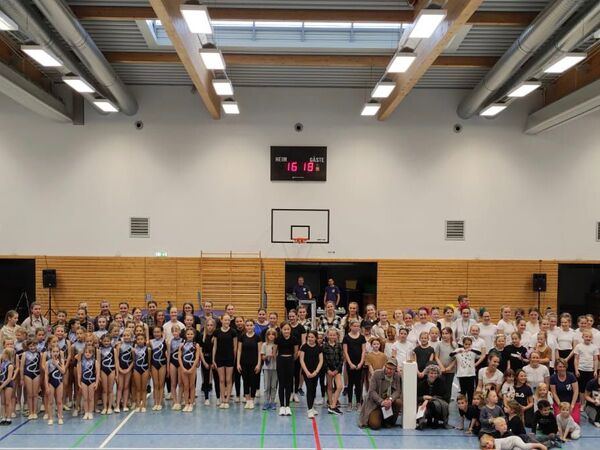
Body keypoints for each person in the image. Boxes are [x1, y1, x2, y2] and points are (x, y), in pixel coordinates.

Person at [358, 358, 402, 429]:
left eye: (391, 369)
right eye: (387, 368)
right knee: (375, 425)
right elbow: (372, 391)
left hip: (389, 402)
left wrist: (390, 400)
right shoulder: (376, 374)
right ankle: (379, 417)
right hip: (376, 404)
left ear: (395, 369)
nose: (389, 370)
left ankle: (389, 421)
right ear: (385, 366)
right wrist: (382, 402)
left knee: (398, 402)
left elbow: (397, 391)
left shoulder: (397, 377)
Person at [213, 314, 237, 409]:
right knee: (222, 380)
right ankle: (222, 399)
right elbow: (215, 346)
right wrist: (213, 359)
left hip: (229, 358)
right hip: (219, 358)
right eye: (225, 320)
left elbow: (235, 347)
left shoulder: (233, 332)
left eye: (228, 320)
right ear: (221, 320)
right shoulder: (217, 332)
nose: (227, 322)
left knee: (228, 380)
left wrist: (234, 359)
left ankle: (227, 400)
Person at [416, 364, 449, 430]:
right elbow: (417, 397)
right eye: (431, 373)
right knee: (422, 407)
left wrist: (428, 400)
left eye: (435, 373)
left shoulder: (441, 382)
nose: (433, 375)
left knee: (437, 404)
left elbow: (445, 396)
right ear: (427, 373)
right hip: (425, 405)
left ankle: (437, 421)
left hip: (438, 405)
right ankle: (422, 422)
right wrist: (423, 398)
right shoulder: (422, 384)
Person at [275, 321, 298, 416]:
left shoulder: (294, 339)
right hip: (280, 361)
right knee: (281, 384)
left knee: (288, 384)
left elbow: (296, 353)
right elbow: (275, 352)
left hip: (290, 361)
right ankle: (281, 406)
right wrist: (279, 359)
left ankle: (287, 406)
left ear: (290, 330)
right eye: (284, 329)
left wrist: (290, 359)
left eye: (288, 329)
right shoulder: (278, 339)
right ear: (281, 330)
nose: (286, 331)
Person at [342, 319, 366, 411]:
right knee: (350, 383)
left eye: (358, 326)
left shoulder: (362, 338)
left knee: (358, 384)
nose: (356, 328)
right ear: (350, 326)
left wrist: (361, 363)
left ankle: (358, 403)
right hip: (350, 363)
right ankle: (349, 403)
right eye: (354, 326)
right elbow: (345, 352)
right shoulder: (346, 338)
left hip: (359, 363)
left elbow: (363, 351)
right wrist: (350, 363)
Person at [237, 319, 261, 409]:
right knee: (245, 381)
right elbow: (239, 350)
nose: (249, 327)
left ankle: (252, 400)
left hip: (254, 363)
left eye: (251, 325)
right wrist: (238, 363)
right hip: (244, 363)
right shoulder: (242, 337)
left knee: (253, 381)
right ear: (245, 326)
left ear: (254, 326)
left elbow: (259, 352)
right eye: (247, 325)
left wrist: (259, 364)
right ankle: (247, 400)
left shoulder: (257, 337)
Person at [299, 330, 323, 418]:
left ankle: (312, 407)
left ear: (315, 338)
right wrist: (307, 372)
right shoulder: (304, 347)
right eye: (309, 337)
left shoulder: (319, 347)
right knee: (309, 388)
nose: (310, 338)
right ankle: (309, 409)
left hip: (315, 372)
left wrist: (316, 371)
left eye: (312, 337)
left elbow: (321, 360)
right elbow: (301, 360)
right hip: (307, 372)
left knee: (313, 389)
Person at [451, 336, 481, 404]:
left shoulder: (473, 351)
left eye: (469, 344)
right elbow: (451, 354)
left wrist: (471, 349)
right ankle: (462, 404)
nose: (467, 346)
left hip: (471, 374)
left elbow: (479, 353)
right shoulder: (459, 350)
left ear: (471, 344)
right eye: (466, 344)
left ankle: (470, 404)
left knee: (471, 391)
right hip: (462, 374)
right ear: (463, 344)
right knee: (463, 391)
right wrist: (458, 351)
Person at [573, 329, 598, 409]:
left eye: (590, 337)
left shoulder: (594, 347)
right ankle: (582, 403)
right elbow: (576, 359)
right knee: (582, 387)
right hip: (581, 369)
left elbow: (595, 359)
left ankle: (588, 403)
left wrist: (595, 371)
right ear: (583, 337)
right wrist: (576, 370)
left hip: (590, 370)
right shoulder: (578, 346)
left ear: (592, 338)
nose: (588, 338)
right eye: (586, 336)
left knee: (589, 388)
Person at [549, 358, 580, 423]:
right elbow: (554, 393)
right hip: (559, 402)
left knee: (575, 421)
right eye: (560, 367)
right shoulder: (553, 378)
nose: (562, 368)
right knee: (559, 420)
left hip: (572, 402)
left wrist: (572, 405)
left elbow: (576, 391)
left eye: (564, 366)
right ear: (556, 367)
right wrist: (560, 405)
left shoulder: (571, 376)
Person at [323, 328, 343, 415]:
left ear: (336, 336)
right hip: (329, 370)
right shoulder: (324, 346)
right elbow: (323, 360)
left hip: (337, 370)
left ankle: (333, 405)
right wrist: (328, 370)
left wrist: (337, 370)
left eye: (334, 335)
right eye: (330, 335)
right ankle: (331, 404)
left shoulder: (339, 345)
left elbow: (341, 359)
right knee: (330, 387)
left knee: (339, 386)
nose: (332, 336)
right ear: (327, 335)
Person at [179, 328, 200, 412]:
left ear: (194, 335)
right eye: (188, 334)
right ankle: (186, 403)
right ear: (185, 335)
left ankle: (191, 403)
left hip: (192, 368)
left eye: (191, 334)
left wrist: (192, 368)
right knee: (186, 386)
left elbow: (197, 358)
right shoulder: (182, 345)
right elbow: (179, 357)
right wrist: (182, 368)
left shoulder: (196, 345)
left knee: (192, 386)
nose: (190, 335)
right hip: (184, 367)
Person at [78, 344, 99, 420]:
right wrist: (79, 382)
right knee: (85, 398)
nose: (87, 354)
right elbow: (79, 373)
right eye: (86, 352)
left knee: (91, 398)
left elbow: (97, 373)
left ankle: (90, 412)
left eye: (89, 352)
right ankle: (86, 412)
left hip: (92, 381)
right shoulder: (81, 362)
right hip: (84, 381)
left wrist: (96, 383)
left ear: (92, 353)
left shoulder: (95, 362)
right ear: (83, 353)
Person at [435, 326, 456, 404]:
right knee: (441, 387)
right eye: (443, 333)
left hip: (450, 370)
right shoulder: (439, 344)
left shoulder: (454, 345)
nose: (444, 335)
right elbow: (436, 357)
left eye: (446, 333)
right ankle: (440, 403)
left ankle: (447, 404)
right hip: (441, 370)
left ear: (450, 334)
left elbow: (456, 358)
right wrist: (442, 367)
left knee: (448, 387)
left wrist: (449, 367)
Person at [149, 326, 167, 410]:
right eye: (155, 332)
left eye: (158, 332)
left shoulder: (165, 341)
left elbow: (167, 354)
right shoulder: (150, 342)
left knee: (161, 384)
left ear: (162, 333)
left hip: (162, 364)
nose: (156, 334)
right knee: (155, 384)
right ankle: (155, 402)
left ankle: (160, 402)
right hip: (154, 364)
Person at [132, 333, 150, 413]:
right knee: (138, 388)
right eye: (138, 339)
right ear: (136, 340)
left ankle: (143, 405)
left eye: (141, 339)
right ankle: (138, 405)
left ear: (145, 340)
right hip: (136, 369)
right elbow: (134, 360)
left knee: (143, 388)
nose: (140, 341)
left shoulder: (148, 349)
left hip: (145, 369)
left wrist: (149, 371)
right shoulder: (133, 350)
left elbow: (149, 361)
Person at [98, 333, 116, 415]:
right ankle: (105, 407)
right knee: (105, 390)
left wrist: (117, 374)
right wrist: (98, 375)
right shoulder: (99, 350)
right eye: (104, 341)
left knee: (110, 390)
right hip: (103, 370)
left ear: (110, 341)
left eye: (108, 341)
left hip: (112, 370)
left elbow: (116, 362)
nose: (106, 342)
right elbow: (98, 363)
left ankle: (109, 407)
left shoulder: (114, 350)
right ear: (101, 341)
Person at [261, 328, 278, 411]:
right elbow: (262, 356)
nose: (271, 336)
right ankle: (266, 401)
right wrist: (267, 356)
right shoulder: (264, 345)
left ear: (275, 336)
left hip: (275, 368)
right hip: (267, 368)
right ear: (267, 336)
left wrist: (274, 355)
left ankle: (273, 401)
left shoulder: (277, 345)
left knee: (273, 386)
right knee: (267, 386)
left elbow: (278, 356)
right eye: (269, 334)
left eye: (273, 334)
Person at [0, 348, 16, 425]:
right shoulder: (2, 364)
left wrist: (1, 386)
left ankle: (9, 418)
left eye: (3, 354)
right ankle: (3, 417)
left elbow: (9, 378)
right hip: (2, 383)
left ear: (7, 355)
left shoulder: (10, 365)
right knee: (2, 402)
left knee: (7, 402)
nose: (1, 355)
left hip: (8, 384)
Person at [479, 434, 548, 450]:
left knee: (524, 446)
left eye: (487, 443)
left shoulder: (496, 442)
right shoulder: (493, 445)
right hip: (512, 446)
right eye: (485, 446)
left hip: (514, 440)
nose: (487, 446)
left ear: (491, 439)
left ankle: (539, 445)